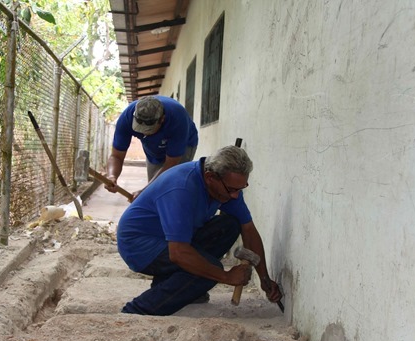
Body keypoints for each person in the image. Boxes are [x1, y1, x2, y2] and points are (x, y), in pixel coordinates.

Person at [116, 145, 283, 316]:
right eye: (232, 190)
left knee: (230, 225)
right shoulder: (181, 188)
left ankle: (177, 285)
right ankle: (138, 310)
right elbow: (178, 253)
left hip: (170, 240)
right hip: (138, 246)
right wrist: (225, 277)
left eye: (241, 188)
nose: (235, 196)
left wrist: (264, 279)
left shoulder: (226, 187)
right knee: (210, 270)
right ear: (210, 177)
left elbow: (248, 230)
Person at [105, 95, 198, 201]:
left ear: (162, 119)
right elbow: (116, 156)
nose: (144, 133)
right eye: (140, 129)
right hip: (153, 150)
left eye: (149, 130)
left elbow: (171, 164)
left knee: (173, 185)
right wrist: (112, 176)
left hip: (184, 146)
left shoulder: (178, 119)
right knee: (154, 191)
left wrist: (145, 190)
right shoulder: (126, 118)